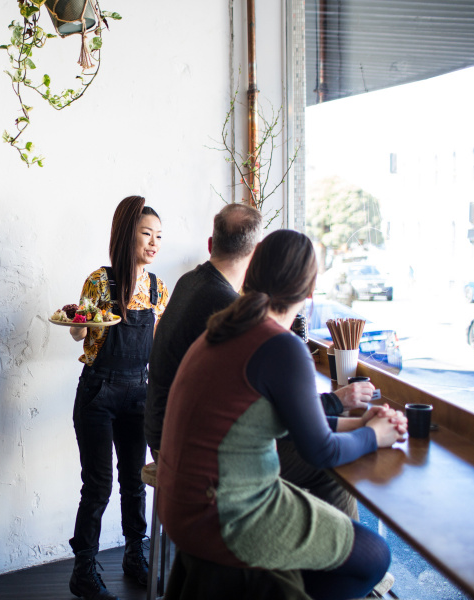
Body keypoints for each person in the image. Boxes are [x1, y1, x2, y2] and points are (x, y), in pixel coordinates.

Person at [157, 229, 407, 600]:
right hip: (224, 512)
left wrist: (361, 423)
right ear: (310, 291)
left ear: (251, 273)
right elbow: (320, 451)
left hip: (181, 503)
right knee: (374, 556)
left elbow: (283, 423)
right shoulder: (280, 345)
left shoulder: (224, 328)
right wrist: (375, 436)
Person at [145, 203, 374, 519]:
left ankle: (325, 542)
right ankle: (334, 544)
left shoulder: (191, 282)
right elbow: (286, 424)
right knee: (328, 470)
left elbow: (258, 409)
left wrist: (354, 422)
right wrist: (343, 410)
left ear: (211, 244)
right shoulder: (231, 312)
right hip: (194, 455)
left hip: (164, 432)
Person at [67, 195, 170, 600]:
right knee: (98, 485)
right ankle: (83, 570)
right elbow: (79, 331)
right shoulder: (100, 281)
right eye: (146, 234)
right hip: (99, 391)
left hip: (139, 392)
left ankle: (134, 555)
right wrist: (80, 323)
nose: (154, 242)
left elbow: (159, 344)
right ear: (127, 236)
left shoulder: (157, 288)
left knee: (134, 480)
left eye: (159, 235)